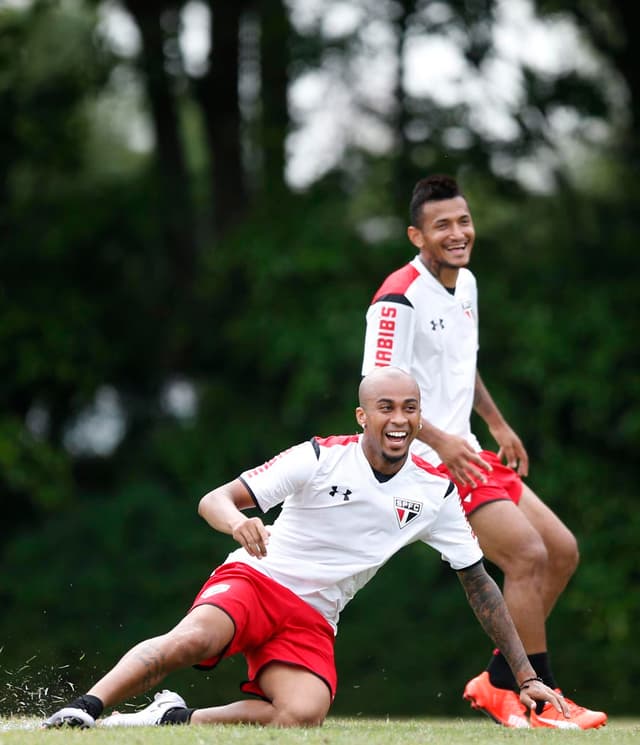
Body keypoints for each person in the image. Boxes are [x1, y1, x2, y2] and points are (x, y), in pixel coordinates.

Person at [43, 367, 567, 730]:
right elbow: (215, 499)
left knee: (302, 714)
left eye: (410, 409)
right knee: (192, 641)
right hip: (259, 578)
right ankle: (84, 710)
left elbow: (478, 582)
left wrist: (526, 676)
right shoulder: (319, 457)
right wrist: (237, 524)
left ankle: (173, 719)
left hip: (313, 616)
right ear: (363, 416)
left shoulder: (436, 490)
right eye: (385, 407)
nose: (399, 419)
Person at [361, 175, 606, 730]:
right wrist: (440, 440)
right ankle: (538, 699)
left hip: (467, 449)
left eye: (463, 221)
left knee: (562, 551)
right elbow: (376, 396)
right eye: (442, 224)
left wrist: (495, 422)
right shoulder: (396, 299)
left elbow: (459, 359)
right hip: (426, 461)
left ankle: (499, 681)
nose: (457, 232)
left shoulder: (465, 283)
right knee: (528, 557)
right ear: (416, 235)